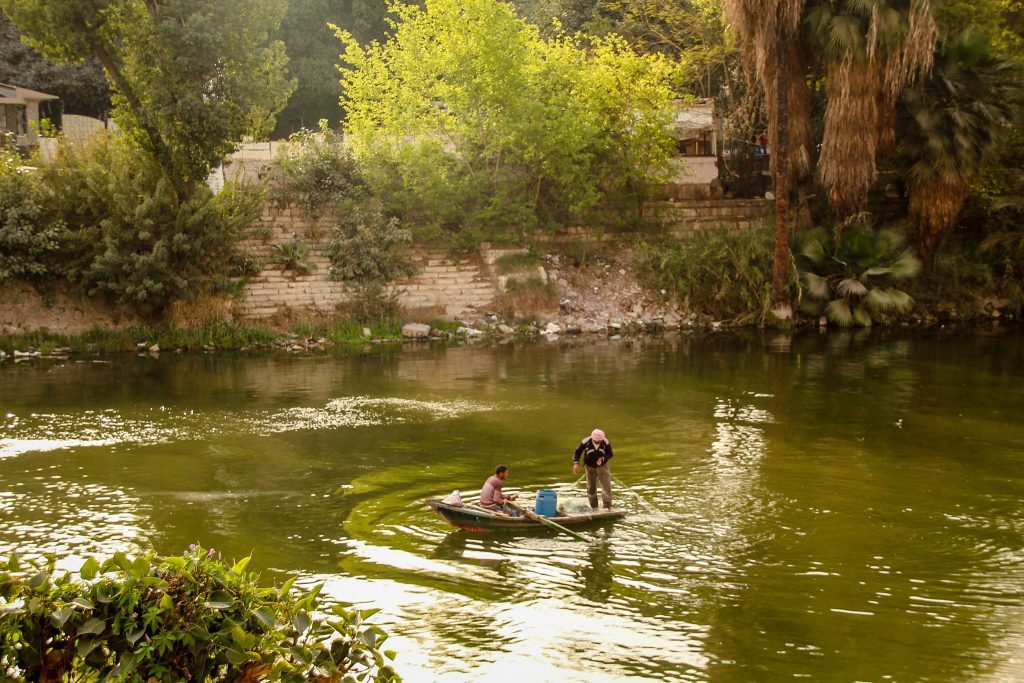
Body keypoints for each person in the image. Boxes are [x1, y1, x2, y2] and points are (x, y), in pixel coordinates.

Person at [572, 428, 613, 510]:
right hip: (589, 467)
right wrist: (576, 463)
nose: (598, 442)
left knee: (606, 486)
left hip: (602, 466)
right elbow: (577, 453)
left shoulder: (605, 442)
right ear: (592, 438)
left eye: (600, 440)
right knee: (591, 487)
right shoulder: (585, 441)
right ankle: (594, 507)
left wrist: (603, 458)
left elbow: (610, 454)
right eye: (596, 441)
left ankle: (607, 507)